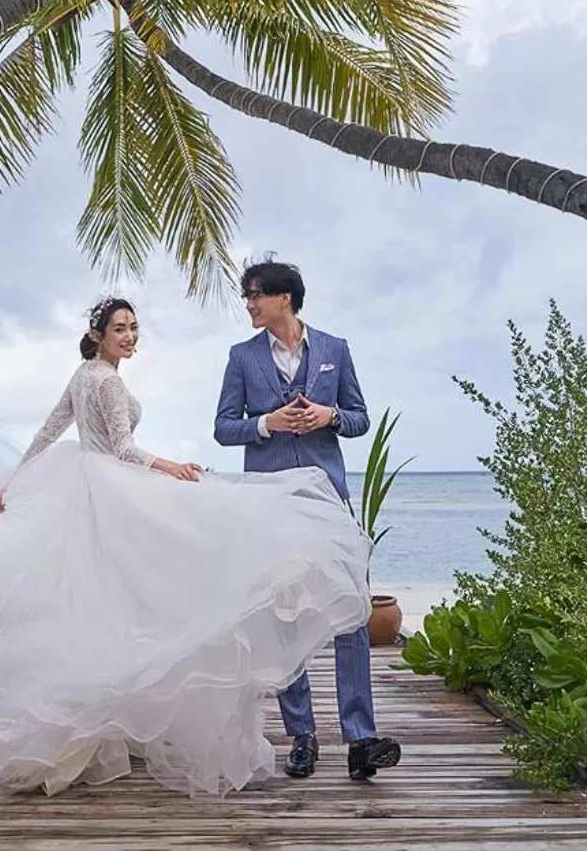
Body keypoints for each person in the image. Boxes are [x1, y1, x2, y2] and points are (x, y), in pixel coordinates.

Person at [0, 297, 371, 817]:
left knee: (90, 606)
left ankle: (86, 720)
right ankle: (94, 719)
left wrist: (15, 478)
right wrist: (173, 468)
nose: (130, 337)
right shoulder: (105, 380)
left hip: (76, 484)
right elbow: (120, 449)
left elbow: (48, 431)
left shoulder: (82, 374)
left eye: (135, 328)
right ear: (98, 335)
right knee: (141, 598)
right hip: (108, 491)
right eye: (121, 329)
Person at [215, 257, 402, 782]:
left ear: (284, 299)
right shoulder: (241, 357)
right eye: (247, 295)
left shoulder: (335, 351)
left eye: (255, 294)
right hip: (270, 501)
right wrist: (267, 424)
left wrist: (330, 417)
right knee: (283, 615)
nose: (248, 304)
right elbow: (224, 428)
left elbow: (360, 418)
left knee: (351, 610)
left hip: (324, 497)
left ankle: (361, 739)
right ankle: (303, 735)